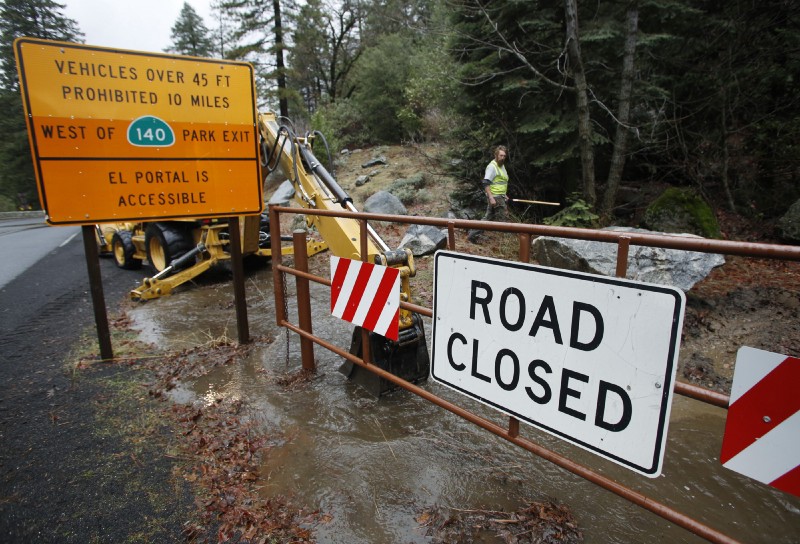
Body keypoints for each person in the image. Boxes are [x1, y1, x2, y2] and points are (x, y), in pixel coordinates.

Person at [468, 145, 510, 242]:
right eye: (501, 155)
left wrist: (505, 194)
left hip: (500, 196)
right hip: (496, 197)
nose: (503, 158)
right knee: (504, 220)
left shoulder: (502, 166)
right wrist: (491, 197)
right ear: (496, 155)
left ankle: (472, 235)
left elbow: (501, 182)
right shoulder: (492, 167)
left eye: (504, 156)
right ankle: (506, 242)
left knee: (487, 219)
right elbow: (486, 183)